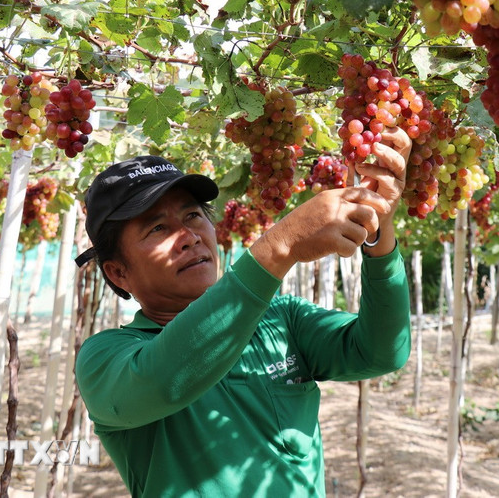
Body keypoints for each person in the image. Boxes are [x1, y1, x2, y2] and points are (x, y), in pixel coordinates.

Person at [73, 127, 413, 497]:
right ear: (118, 272)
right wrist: (280, 246)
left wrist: (378, 229)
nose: (189, 236)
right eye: (157, 227)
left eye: (192, 216)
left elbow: (382, 350)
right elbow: (165, 379)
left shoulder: (281, 319)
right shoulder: (105, 358)